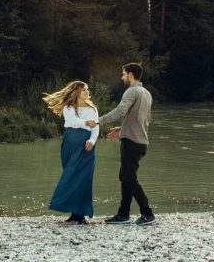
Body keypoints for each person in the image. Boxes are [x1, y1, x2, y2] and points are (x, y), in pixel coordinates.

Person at [87, 62, 155, 226]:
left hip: (131, 141)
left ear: (131, 75)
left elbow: (119, 112)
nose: (122, 77)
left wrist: (97, 121)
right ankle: (123, 214)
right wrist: (121, 128)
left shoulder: (131, 91)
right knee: (125, 177)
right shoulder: (146, 93)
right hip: (140, 141)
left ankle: (147, 213)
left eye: (124, 74)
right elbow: (144, 119)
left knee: (129, 178)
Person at [43, 80, 99, 224]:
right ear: (77, 93)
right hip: (70, 143)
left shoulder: (92, 109)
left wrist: (92, 141)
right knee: (71, 176)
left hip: (86, 145)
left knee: (83, 178)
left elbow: (96, 128)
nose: (87, 92)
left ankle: (80, 215)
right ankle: (75, 214)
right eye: (84, 90)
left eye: (87, 89)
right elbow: (72, 121)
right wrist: (86, 123)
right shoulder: (68, 108)